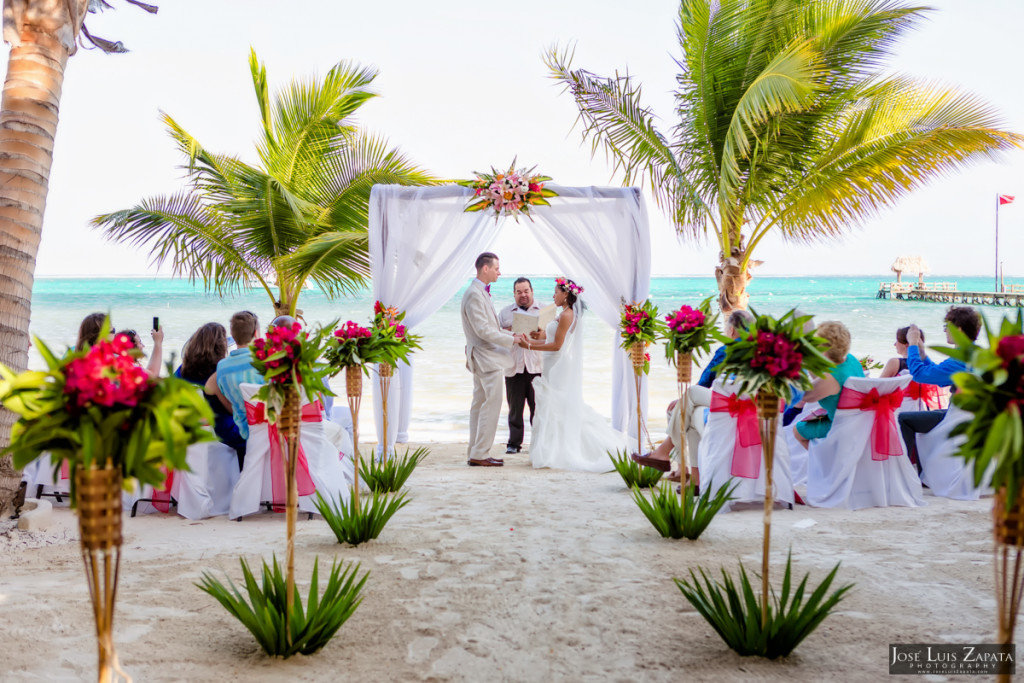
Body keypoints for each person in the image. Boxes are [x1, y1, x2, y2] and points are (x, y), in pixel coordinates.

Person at [516, 277, 629, 471]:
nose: (553, 295)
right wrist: (537, 337)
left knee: (557, 405)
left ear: (566, 293)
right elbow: (551, 337)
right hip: (553, 365)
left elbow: (557, 346)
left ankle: (558, 449)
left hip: (558, 365)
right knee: (553, 407)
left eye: (556, 292)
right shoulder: (563, 314)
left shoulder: (567, 315)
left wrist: (528, 345)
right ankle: (549, 447)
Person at [633, 309, 754, 480]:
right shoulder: (760, 350)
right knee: (685, 410)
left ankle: (666, 455)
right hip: (751, 408)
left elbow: (705, 382)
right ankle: (688, 475)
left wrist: (683, 398)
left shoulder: (727, 349)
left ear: (732, 330)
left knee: (687, 398)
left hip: (733, 406)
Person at [898, 306, 982, 465]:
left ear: (958, 329)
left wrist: (913, 345)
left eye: (947, 327)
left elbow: (920, 375)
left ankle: (904, 471)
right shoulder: (975, 354)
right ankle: (926, 474)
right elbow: (937, 374)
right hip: (971, 417)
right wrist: (922, 355)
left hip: (958, 419)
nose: (945, 331)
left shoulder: (960, 359)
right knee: (928, 415)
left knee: (904, 419)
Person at [461, 253, 518, 467]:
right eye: (496, 268)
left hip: (481, 357)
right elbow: (483, 330)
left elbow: (486, 328)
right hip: (486, 358)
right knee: (490, 404)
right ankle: (480, 453)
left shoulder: (477, 292)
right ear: (485, 268)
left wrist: (506, 332)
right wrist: (512, 339)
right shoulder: (475, 294)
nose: (499, 272)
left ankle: (475, 451)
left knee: (479, 404)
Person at [175, 322, 246, 463]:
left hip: (191, 433)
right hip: (222, 434)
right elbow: (234, 408)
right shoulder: (221, 373)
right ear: (220, 347)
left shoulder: (182, 370)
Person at [792, 321, 865, 450]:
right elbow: (822, 379)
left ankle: (824, 460)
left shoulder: (830, 379)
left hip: (839, 424)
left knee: (797, 430)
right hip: (858, 419)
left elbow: (805, 396)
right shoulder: (850, 359)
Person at [498, 277, 543, 455]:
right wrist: (509, 332)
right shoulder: (505, 313)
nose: (523, 295)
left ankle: (539, 442)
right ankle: (514, 444)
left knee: (538, 408)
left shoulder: (544, 310)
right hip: (513, 367)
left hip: (537, 367)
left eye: (526, 291)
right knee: (515, 409)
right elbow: (495, 335)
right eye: (519, 292)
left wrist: (540, 333)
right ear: (514, 294)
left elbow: (553, 337)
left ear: (532, 291)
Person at [208, 311, 264, 443]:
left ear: (232, 335)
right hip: (269, 427)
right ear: (256, 333)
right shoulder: (265, 360)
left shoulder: (222, 367)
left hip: (244, 433)